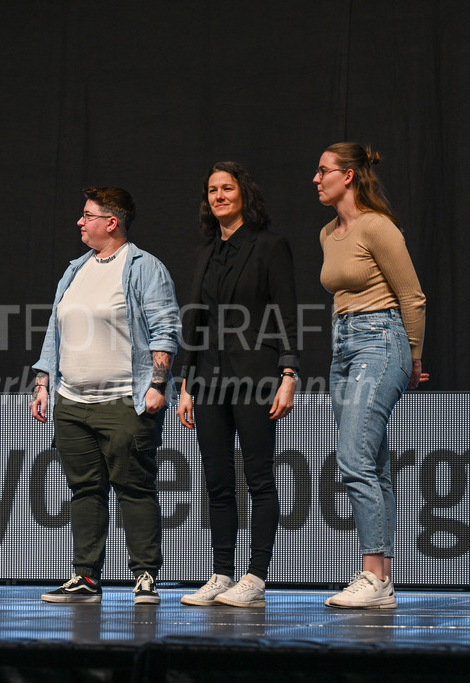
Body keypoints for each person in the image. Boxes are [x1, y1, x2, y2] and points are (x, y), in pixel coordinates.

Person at [30, 187, 181, 605]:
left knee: (134, 487)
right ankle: (86, 576)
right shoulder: (75, 269)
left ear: (111, 222)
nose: (80, 222)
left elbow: (165, 329)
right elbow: (54, 331)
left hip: (123, 401)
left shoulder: (144, 267)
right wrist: (43, 384)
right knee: (84, 491)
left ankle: (146, 575)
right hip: (73, 402)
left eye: (87, 215)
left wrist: (157, 385)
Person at [176, 162, 299, 608]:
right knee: (216, 481)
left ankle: (256, 575)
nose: (219, 196)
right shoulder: (206, 252)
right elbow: (196, 319)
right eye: (212, 190)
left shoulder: (269, 246)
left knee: (259, 477)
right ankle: (221, 573)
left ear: (243, 194)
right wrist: (186, 383)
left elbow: (286, 314)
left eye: (227, 188)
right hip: (208, 378)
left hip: (255, 375)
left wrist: (288, 373)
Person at [314, 142, 427, 609]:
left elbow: (413, 296)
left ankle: (372, 573)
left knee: (353, 458)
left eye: (323, 171)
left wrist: (413, 359)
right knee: (374, 464)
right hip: (343, 346)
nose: (315, 179)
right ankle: (383, 581)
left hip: (381, 342)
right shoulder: (327, 233)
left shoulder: (378, 227)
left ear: (349, 177)